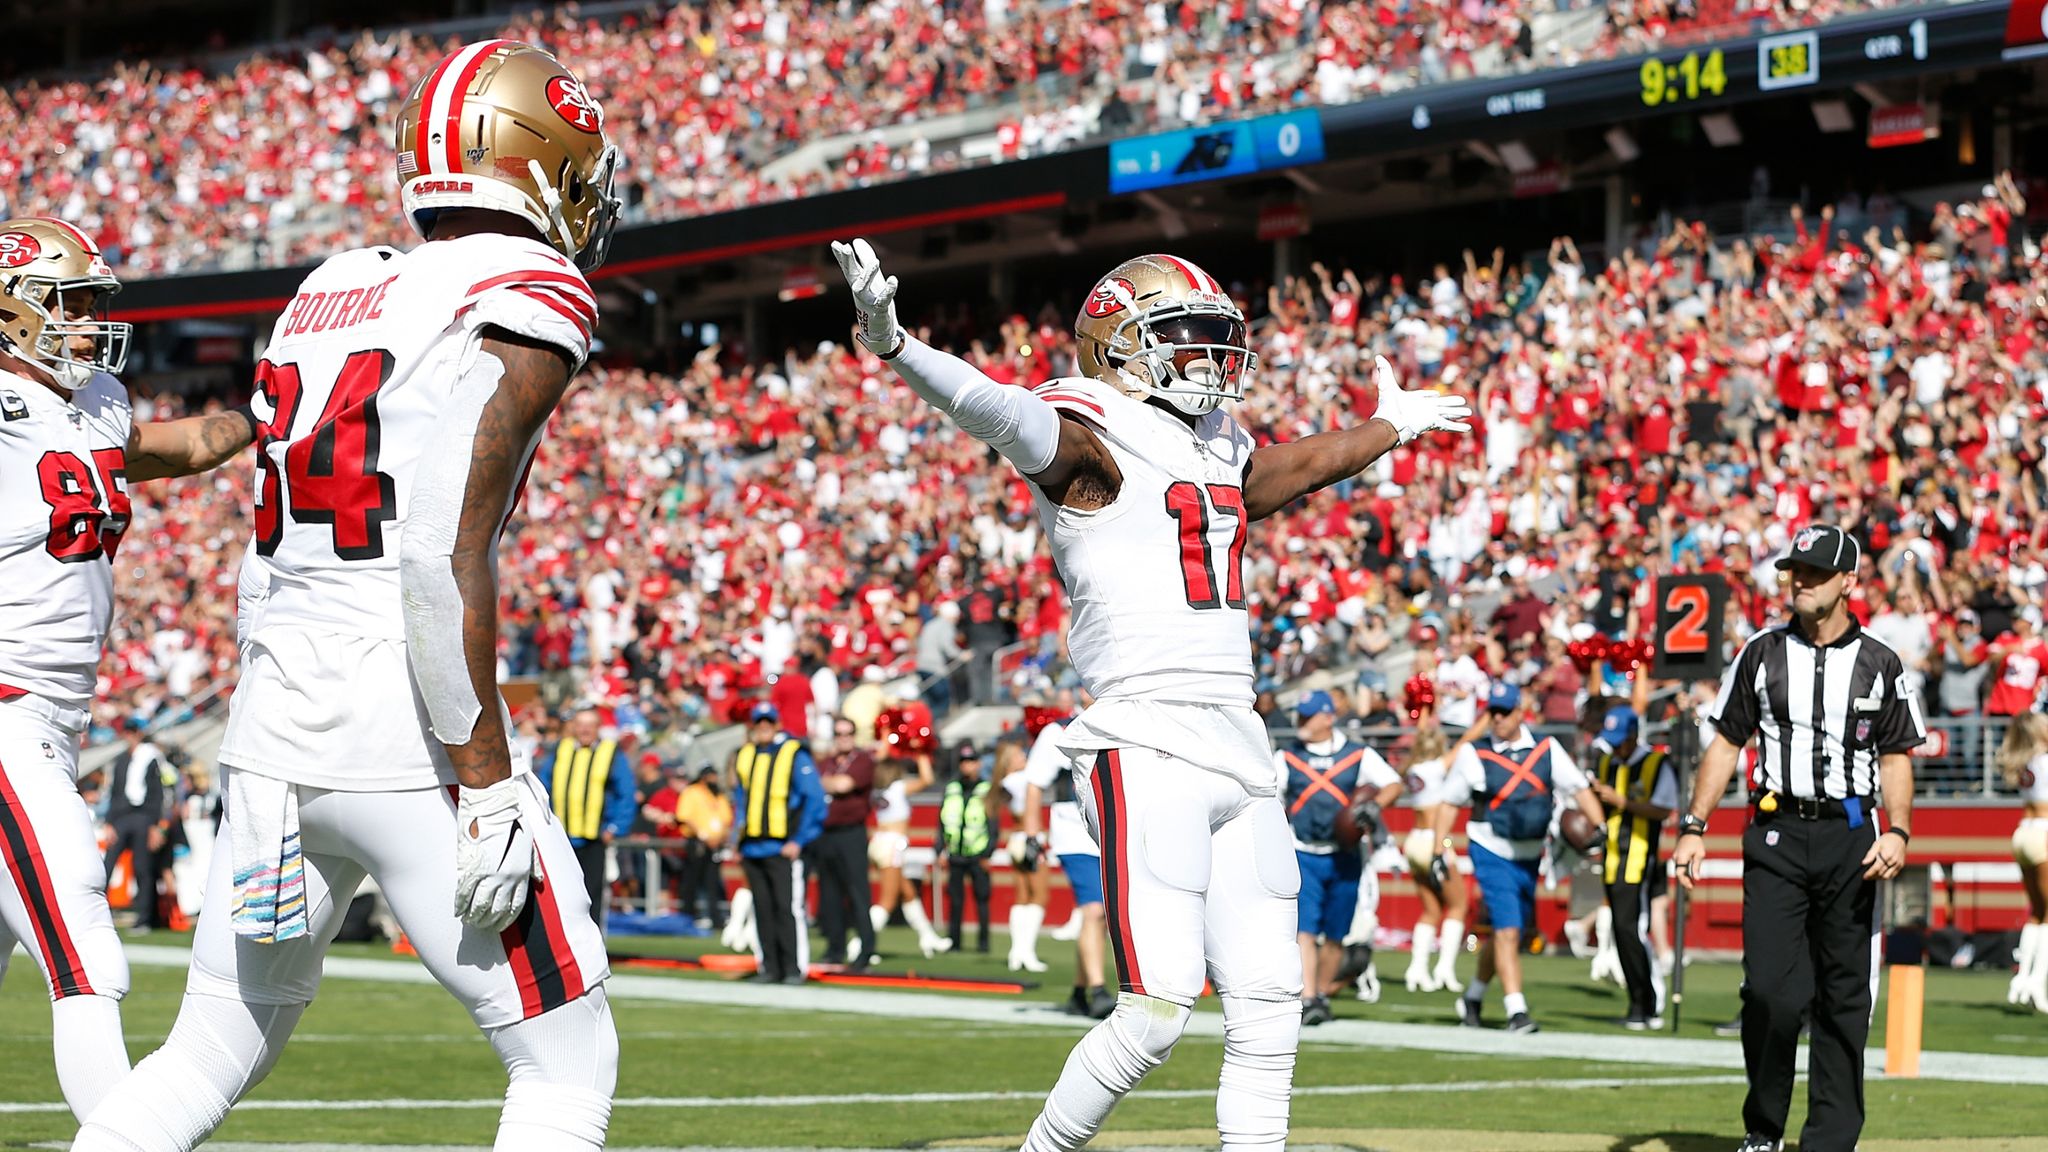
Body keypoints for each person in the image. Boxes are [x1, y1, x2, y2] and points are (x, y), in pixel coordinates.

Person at [77, 41, 624, 1152]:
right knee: (567, 1061)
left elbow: (262, 556)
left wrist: (257, 714)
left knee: (211, 1048)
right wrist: (484, 787)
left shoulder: (332, 284)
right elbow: (434, 545)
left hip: (276, 718)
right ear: (536, 157)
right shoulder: (528, 286)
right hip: (407, 730)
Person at [834, 237, 1470, 1152]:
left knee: (1269, 1004)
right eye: (1183, 334)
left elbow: (1285, 472)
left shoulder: (1213, 447)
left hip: (1238, 740)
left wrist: (1389, 429)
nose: (1209, 357)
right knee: (1159, 1009)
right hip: (1146, 736)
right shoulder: (1092, 436)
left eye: (1217, 336)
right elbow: (996, 409)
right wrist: (898, 346)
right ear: (1115, 343)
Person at [0, 214, 259, 1122]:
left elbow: (178, 448)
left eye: (90, 304)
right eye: (66, 303)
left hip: (56, 720)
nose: (85, 322)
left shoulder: (95, 403)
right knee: (86, 960)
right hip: (5, 712)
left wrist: (262, 414)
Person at [1673, 523, 1923, 1152]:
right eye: (1795, 570)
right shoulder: (1759, 653)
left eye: (1814, 572)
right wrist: (1694, 826)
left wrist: (1898, 830)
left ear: (1848, 581)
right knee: (1769, 994)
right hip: (1776, 832)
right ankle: (1763, 1129)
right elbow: (1727, 739)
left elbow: (1896, 754)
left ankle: (1830, 1141)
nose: (1799, 582)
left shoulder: (1880, 661)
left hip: (1849, 836)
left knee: (1844, 998)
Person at [1431, 683, 1605, 1034]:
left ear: (1519, 712)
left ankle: (1474, 996)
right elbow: (1449, 802)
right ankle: (1516, 1011)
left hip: (1530, 854)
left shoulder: (1546, 749)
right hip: (1491, 847)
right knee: (1509, 929)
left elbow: (1578, 787)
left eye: (1503, 712)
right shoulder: (1473, 754)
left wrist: (1599, 825)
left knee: (1507, 931)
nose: (1497, 719)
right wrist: (1438, 849)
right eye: (1491, 712)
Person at [1276, 690, 1401, 1026]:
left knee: (1335, 933)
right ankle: (1308, 998)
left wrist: (1374, 807)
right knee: (1305, 928)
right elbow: (1269, 798)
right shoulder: (1286, 757)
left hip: (1344, 855)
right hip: (1304, 851)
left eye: (1308, 716)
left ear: (1328, 717)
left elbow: (1392, 783)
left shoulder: (1357, 754)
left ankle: (1321, 993)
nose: (1301, 723)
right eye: (1300, 716)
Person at [1022, 693, 1115, 1018]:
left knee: (1099, 915)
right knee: (1095, 910)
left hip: (1109, 831)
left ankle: (1079, 991)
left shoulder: (1123, 725)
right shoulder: (1059, 731)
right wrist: (1032, 835)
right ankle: (1099, 991)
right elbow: (1034, 784)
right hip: (1074, 833)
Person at [1586, 705, 1678, 1029]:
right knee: (1621, 929)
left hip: (1640, 857)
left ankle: (1649, 999)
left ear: (1635, 735)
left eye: (1621, 740)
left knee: (1631, 928)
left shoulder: (1656, 763)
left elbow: (1664, 809)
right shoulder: (1608, 763)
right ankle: (1638, 1002)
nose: (1616, 748)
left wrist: (1621, 801)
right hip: (1612, 857)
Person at [731, 701, 827, 984]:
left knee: (787, 908)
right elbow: (741, 800)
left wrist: (799, 839)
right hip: (752, 846)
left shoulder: (794, 755)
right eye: (758, 723)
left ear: (777, 725)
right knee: (762, 907)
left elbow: (815, 799)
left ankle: (794, 967)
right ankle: (769, 967)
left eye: (767, 723)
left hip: (782, 846)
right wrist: (737, 836)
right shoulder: (746, 756)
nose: (763, 728)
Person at [535, 705, 634, 929]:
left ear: (598, 728)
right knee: (560, 894)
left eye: (590, 725)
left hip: (594, 838)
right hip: (561, 838)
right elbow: (542, 788)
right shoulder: (562, 749)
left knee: (592, 895)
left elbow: (626, 794)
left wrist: (615, 827)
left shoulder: (610, 753)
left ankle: (594, 944)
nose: (585, 730)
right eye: (580, 725)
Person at [1399, 723, 1468, 993]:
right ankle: (1444, 968)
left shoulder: (1412, 770)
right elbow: (1465, 743)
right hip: (1433, 841)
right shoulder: (1437, 768)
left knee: (1431, 910)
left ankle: (1416, 969)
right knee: (1459, 905)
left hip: (1413, 840)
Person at [867, 754, 950, 957]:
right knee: (887, 901)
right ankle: (861, 945)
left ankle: (927, 936)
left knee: (909, 893)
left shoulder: (878, 790)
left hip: (878, 841)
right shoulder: (897, 788)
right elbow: (927, 780)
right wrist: (923, 753)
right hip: (892, 845)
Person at [816, 715, 878, 971]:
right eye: (839, 734)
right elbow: (818, 784)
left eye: (847, 733)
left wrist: (828, 785)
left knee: (857, 892)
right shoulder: (827, 762)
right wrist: (829, 785)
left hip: (851, 833)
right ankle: (834, 948)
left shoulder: (862, 760)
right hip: (827, 834)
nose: (843, 738)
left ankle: (866, 948)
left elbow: (844, 784)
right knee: (829, 894)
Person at [101, 719, 174, 932]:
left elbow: (157, 793)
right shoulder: (122, 760)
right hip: (122, 817)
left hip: (143, 816)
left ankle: (144, 918)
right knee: (107, 864)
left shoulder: (151, 757)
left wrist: (155, 824)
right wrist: (109, 822)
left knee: (142, 867)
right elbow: (115, 792)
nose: (130, 736)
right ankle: (99, 914)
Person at [2000, 713, 2048, 1012]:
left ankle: (2021, 981)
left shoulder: (2023, 762)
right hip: (2044, 830)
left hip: (2022, 832)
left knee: (2037, 913)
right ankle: (2037, 984)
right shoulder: (2044, 759)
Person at [938, 743, 999, 954]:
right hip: (956, 853)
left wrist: (988, 853)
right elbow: (942, 822)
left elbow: (993, 825)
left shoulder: (986, 789)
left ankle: (983, 944)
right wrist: (940, 850)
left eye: (971, 761)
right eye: (964, 762)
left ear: (979, 764)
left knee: (982, 899)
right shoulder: (952, 787)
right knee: (955, 901)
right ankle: (954, 941)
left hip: (977, 854)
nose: (967, 766)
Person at [998, 740, 1051, 972]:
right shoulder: (1021, 780)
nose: (1024, 758)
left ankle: (1016, 951)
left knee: (1022, 896)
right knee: (1039, 896)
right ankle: (1026, 951)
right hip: (1031, 839)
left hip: (1015, 839)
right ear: (1010, 761)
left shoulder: (1005, 782)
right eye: (1019, 755)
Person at [674, 765, 733, 930]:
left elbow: (726, 819)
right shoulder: (692, 792)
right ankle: (687, 917)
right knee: (691, 881)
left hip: (715, 845)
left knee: (712, 882)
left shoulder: (718, 795)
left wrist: (720, 837)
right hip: (697, 842)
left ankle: (715, 918)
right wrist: (703, 835)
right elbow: (684, 816)